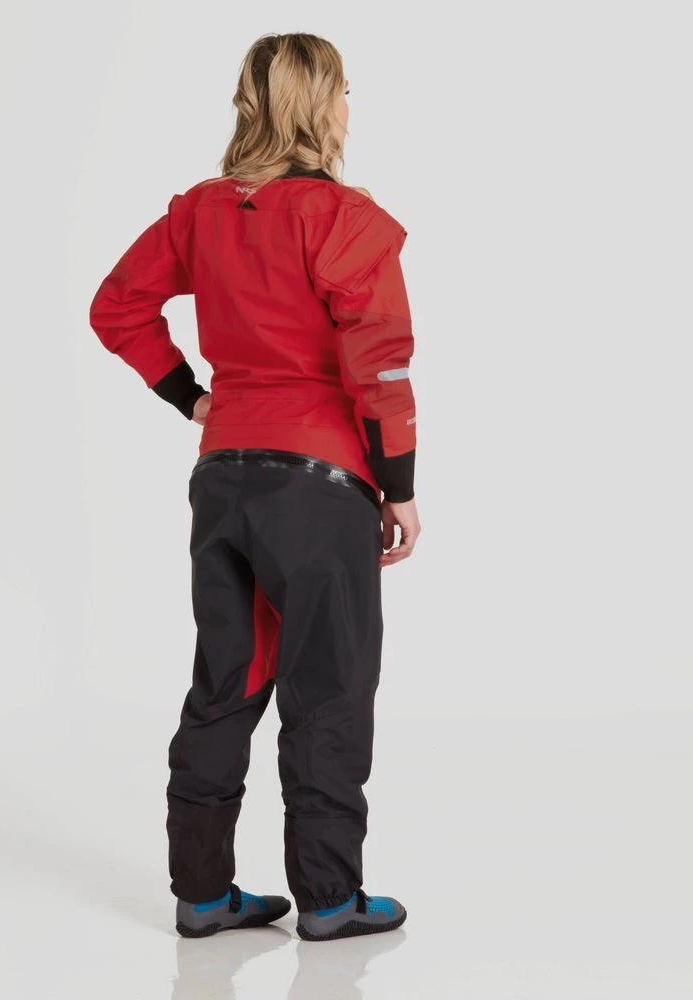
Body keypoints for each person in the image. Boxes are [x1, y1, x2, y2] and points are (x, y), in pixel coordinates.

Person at [88, 31, 420, 942]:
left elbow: (116, 307)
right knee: (328, 692)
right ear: (319, 104)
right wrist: (397, 484)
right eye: (344, 90)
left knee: (225, 682)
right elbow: (380, 363)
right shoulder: (344, 220)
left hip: (224, 477)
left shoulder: (200, 212)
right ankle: (330, 900)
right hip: (321, 488)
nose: (349, 106)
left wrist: (192, 398)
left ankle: (202, 894)